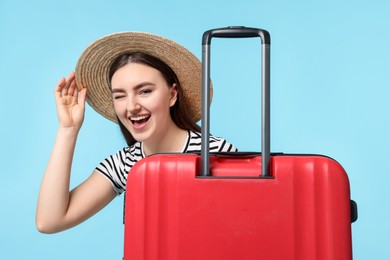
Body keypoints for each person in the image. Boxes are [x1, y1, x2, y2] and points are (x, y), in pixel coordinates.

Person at [36, 32, 237, 234]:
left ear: (172, 95)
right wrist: (67, 129)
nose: (131, 107)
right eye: (120, 96)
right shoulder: (125, 163)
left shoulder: (215, 152)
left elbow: (242, 227)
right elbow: (50, 221)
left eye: (145, 91)